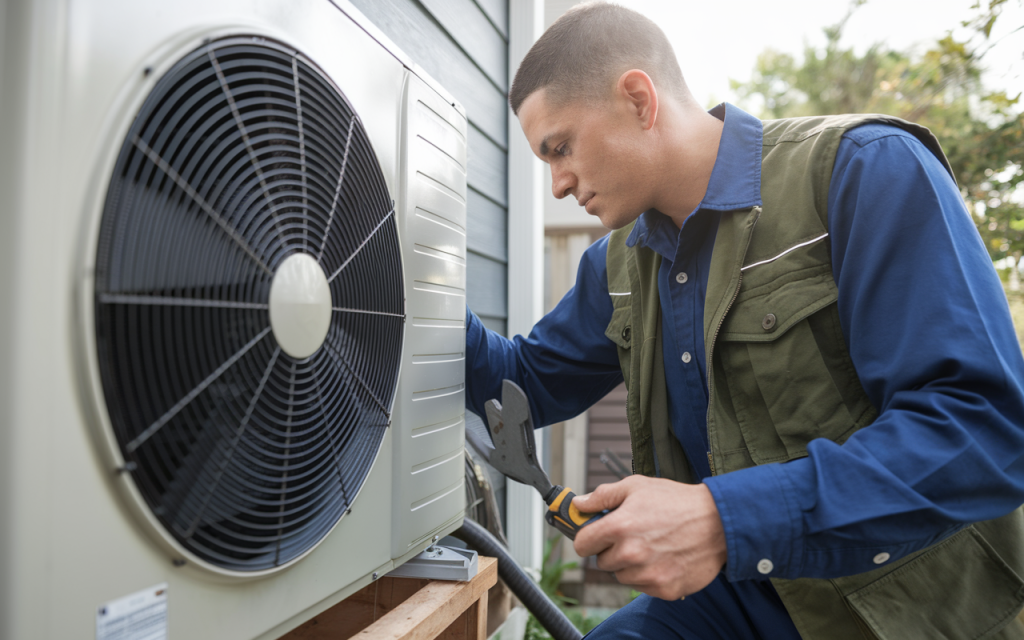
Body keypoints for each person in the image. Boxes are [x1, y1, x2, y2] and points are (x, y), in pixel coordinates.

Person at [464, 2, 1024, 638]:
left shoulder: (863, 171)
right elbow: (516, 384)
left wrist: (718, 520)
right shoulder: (617, 267)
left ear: (639, 100)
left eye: (560, 148)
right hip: (734, 602)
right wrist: (403, 267)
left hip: (904, 611)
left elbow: (984, 432)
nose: (558, 184)